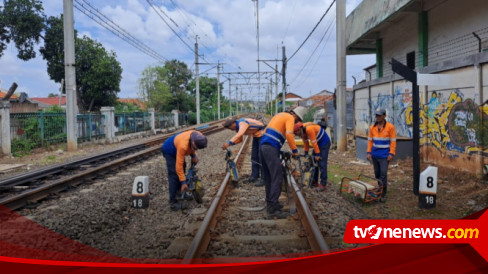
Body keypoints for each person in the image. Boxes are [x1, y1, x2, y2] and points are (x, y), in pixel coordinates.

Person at [259, 106, 307, 218]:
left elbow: (266, 131)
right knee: (277, 176)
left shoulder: (279, 115)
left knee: (269, 177)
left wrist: (278, 150)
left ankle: (270, 203)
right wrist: (295, 151)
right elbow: (289, 135)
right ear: (296, 115)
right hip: (270, 148)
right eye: (298, 120)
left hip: (263, 147)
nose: (296, 122)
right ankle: (273, 208)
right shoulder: (290, 117)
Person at [161, 130, 208, 211]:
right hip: (169, 150)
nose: (196, 150)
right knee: (174, 174)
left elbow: (192, 147)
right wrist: (183, 182)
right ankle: (173, 202)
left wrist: (193, 155)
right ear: (193, 143)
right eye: (195, 148)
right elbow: (178, 167)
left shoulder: (199, 136)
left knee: (183, 167)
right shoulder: (183, 146)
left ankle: (180, 192)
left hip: (178, 146)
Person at [222, 118, 265, 186]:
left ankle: (264, 179)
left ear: (233, 123)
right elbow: (239, 139)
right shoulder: (238, 127)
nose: (232, 130)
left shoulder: (242, 123)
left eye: (231, 128)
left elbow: (240, 133)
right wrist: (230, 144)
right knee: (254, 156)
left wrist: (229, 143)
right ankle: (254, 176)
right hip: (256, 135)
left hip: (263, 135)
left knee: (262, 157)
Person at [366, 108, 396, 202]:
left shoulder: (390, 127)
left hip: (384, 155)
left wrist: (391, 153)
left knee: (383, 174)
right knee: (377, 174)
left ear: (384, 116)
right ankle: (380, 188)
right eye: (376, 115)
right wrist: (369, 152)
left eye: (379, 115)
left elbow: (393, 142)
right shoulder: (372, 127)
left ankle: (383, 193)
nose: (377, 117)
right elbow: (370, 141)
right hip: (375, 155)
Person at [294, 121, 331, 192]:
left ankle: (323, 184)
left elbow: (314, 142)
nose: (296, 135)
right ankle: (314, 181)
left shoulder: (308, 129)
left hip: (324, 143)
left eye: (296, 133)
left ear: (299, 129)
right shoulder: (302, 131)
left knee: (322, 163)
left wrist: (318, 155)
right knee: (314, 162)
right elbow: (305, 142)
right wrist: (306, 152)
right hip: (318, 143)